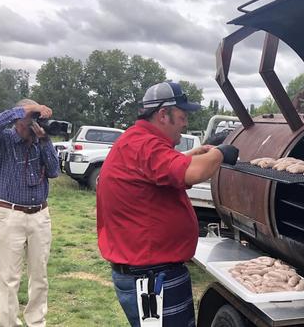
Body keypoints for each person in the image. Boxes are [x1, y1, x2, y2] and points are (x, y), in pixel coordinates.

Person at [97, 81, 238, 327]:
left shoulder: (139, 141)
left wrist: (197, 153)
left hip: (148, 271)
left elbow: (159, 171)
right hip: (152, 276)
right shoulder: (146, 145)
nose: (185, 123)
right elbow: (191, 174)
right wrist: (220, 153)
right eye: (182, 116)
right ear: (163, 114)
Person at [0, 99, 60, 327]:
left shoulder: (40, 141)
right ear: (19, 117)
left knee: (39, 276)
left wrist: (45, 139)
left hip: (39, 215)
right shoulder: (5, 139)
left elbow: (54, 171)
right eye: (32, 117)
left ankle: (36, 322)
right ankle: (8, 323)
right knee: (9, 278)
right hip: (10, 214)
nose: (35, 121)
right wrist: (27, 110)